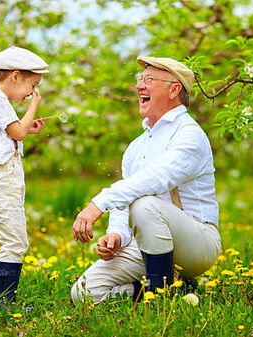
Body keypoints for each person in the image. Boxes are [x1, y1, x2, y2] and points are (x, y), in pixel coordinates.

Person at [71, 56, 221, 304]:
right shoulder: (136, 146)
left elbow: (156, 178)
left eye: (149, 79)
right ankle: (165, 287)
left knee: (145, 204)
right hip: (147, 245)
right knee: (83, 293)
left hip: (197, 242)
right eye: (140, 79)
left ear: (174, 89)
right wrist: (117, 234)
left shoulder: (189, 134)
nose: (140, 85)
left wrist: (99, 203)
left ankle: (160, 299)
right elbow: (126, 199)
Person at [0, 46, 48, 308]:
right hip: (0, 178)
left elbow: (12, 133)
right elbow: (16, 133)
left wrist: (29, 129)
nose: (32, 94)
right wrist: (34, 108)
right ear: (15, 76)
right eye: (32, 85)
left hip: (6, 177)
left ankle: (4, 301)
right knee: (14, 239)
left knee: (17, 238)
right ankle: (3, 303)